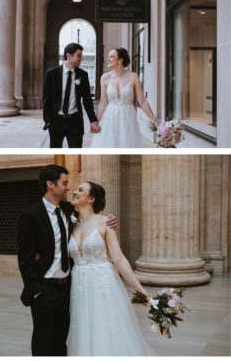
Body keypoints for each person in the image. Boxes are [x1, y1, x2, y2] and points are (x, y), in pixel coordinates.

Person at [17, 165, 118, 356]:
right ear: (50, 185)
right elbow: (24, 257)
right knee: (43, 342)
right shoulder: (31, 215)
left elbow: (91, 217)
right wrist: (35, 289)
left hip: (67, 290)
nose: (68, 188)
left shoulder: (67, 209)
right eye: (64, 183)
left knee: (61, 342)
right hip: (44, 289)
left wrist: (110, 219)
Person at [66, 181, 155, 355]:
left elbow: (119, 259)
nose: (75, 192)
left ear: (91, 198)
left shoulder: (106, 223)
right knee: (82, 326)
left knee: (106, 328)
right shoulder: (69, 224)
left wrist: (139, 289)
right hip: (78, 286)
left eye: (80, 190)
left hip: (102, 285)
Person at [88, 48, 160, 148]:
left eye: (112, 56)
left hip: (128, 118)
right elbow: (103, 102)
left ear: (120, 60)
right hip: (110, 118)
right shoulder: (105, 78)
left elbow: (142, 101)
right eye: (108, 57)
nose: (108, 59)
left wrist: (155, 121)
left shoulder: (133, 77)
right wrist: (95, 122)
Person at [42, 43, 100, 148]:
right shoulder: (51, 73)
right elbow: (46, 99)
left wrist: (93, 121)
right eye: (79, 55)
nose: (81, 59)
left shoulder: (83, 75)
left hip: (75, 122)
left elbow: (87, 100)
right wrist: (48, 121)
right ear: (69, 56)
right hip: (56, 121)